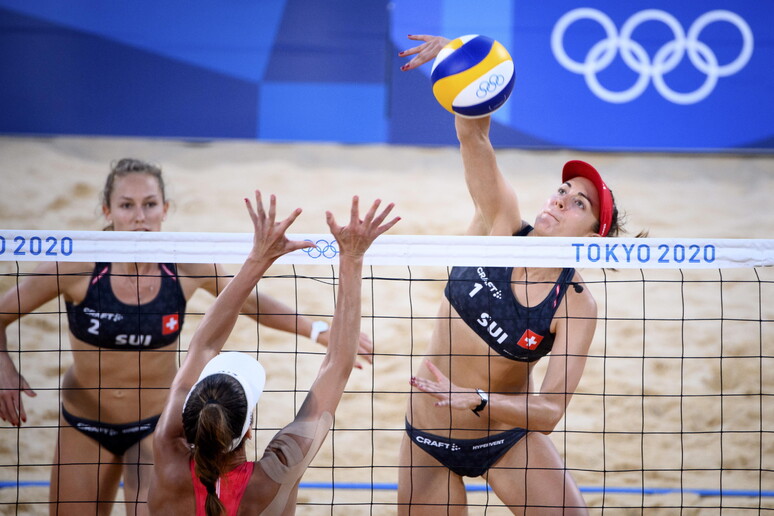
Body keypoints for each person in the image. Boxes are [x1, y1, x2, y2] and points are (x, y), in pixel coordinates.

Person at [0, 159, 373, 516]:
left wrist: (316, 329)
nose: (139, 216)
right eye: (127, 205)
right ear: (107, 210)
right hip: (84, 419)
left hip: (153, 424)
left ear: (165, 209)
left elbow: (243, 308)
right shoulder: (77, 264)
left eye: (149, 204)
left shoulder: (185, 265)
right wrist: (4, 366)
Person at [397, 35, 625, 515]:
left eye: (577, 203)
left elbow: (548, 411)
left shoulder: (575, 304)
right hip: (429, 435)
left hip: (503, 434)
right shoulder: (500, 224)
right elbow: (473, 136)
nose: (560, 199)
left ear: (593, 236)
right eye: (563, 189)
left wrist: (476, 399)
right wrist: (460, 58)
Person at [147, 191, 399, 515]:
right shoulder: (275, 476)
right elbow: (337, 365)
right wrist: (351, 259)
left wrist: (258, 258)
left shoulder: (167, 455)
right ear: (249, 428)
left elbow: (203, 345)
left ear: (187, 419)